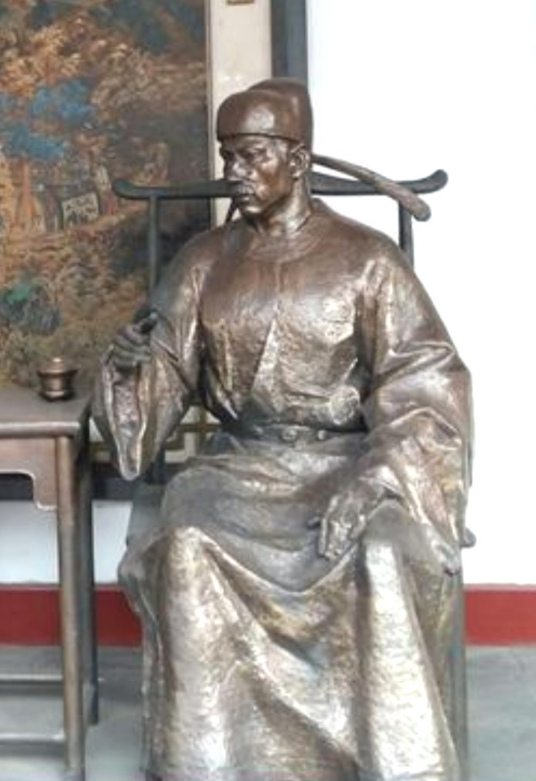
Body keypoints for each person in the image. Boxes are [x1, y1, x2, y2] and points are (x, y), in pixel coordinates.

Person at [93, 78, 472, 781]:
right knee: (187, 544)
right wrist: (127, 372)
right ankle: (205, 761)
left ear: (297, 160)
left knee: (382, 550)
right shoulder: (204, 262)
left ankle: (398, 762)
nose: (234, 172)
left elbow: (426, 383)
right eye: (227, 156)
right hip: (237, 470)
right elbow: (162, 382)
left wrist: (378, 478)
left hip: (351, 465)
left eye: (252, 155)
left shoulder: (367, 261)